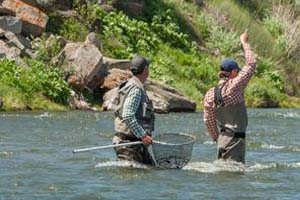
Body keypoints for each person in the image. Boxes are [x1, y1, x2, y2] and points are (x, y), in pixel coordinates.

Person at [203, 31, 256, 163]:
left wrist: (217, 138)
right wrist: (244, 42)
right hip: (235, 142)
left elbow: (208, 120)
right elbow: (251, 64)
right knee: (234, 177)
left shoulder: (210, 94)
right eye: (237, 72)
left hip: (222, 141)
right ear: (232, 72)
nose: (238, 75)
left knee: (222, 177)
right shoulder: (234, 86)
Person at [113, 54, 155, 165]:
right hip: (127, 144)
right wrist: (143, 135)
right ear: (145, 69)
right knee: (133, 178)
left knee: (152, 170)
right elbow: (127, 115)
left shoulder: (131, 85)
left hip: (134, 142)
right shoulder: (135, 89)